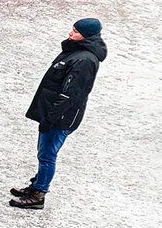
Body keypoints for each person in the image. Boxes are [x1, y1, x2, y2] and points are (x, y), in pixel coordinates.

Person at [12, 20, 106, 210]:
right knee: (44, 152)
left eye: (76, 31)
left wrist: (51, 118)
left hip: (60, 118)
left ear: (87, 35)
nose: (70, 34)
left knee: (47, 155)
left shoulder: (84, 60)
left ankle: (39, 194)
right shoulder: (77, 52)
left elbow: (70, 94)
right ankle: (36, 185)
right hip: (54, 114)